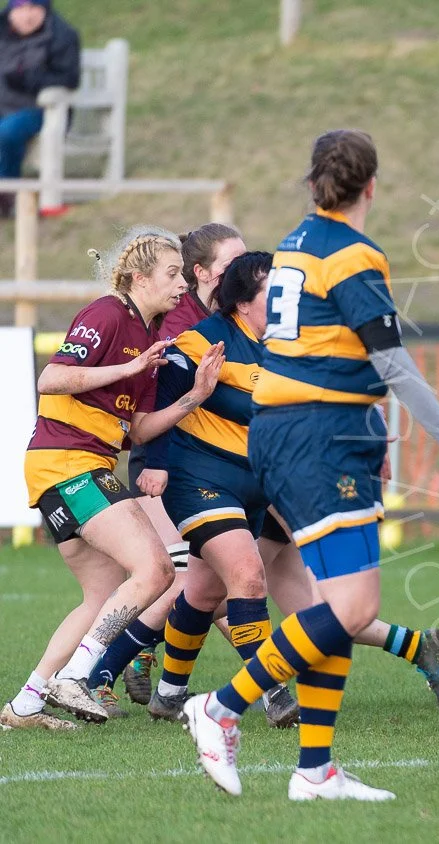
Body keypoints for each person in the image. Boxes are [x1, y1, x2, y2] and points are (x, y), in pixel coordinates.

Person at [182, 129, 439, 801]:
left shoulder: (293, 243)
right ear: (372, 186)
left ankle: (315, 769)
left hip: (301, 433)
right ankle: (221, 707)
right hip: (320, 437)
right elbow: (395, 365)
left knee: (336, 605)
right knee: (353, 605)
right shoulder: (352, 255)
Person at [145, 254, 439, 727]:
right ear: (243, 303)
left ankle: (164, 693)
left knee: (210, 593)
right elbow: (164, 404)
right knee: (249, 581)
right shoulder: (204, 339)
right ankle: (272, 695)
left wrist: (368, 450)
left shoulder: (298, 345)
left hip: (273, 486)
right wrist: (153, 463)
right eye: (275, 292)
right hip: (206, 479)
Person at [2, 227, 222, 730]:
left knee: (101, 598)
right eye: (172, 274)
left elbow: (139, 429)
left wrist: (195, 397)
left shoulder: (149, 337)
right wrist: (128, 370)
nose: (182, 285)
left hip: (82, 463)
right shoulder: (107, 313)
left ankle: (26, 703)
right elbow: (51, 378)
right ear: (138, 277)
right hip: (66, 461)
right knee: (157, 568)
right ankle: (77, 676)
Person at [90, 223, 247, 708]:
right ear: (201, 274)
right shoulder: (181, 321)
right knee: (187, 581)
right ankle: (95, 673)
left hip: (213, 468)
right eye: (229, 267)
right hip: (169, 465)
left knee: (209, 584)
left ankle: (151, 678)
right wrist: (153, 462)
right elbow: (154, 401)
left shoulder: (227, 318)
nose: (241, 274)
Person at [0, 0, 79, 217]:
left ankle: (6, 195)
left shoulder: (62, 35)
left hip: (40, 110)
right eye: (20, 8)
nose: (27, 15)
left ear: (45, 9)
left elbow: (69, 78)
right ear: (11, 10)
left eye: (33, 8)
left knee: (7, 131)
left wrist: (31, 78)